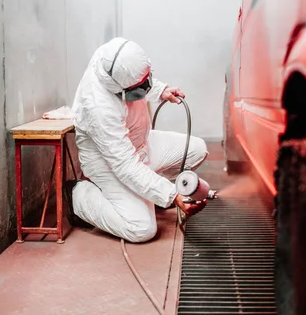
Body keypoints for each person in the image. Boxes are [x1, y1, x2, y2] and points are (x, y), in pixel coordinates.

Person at [70, 38, 208, 243]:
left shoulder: (113, 57)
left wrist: (160, 90)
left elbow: (137, 79)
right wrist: (170, 194)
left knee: (197, 149)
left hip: (141, 144)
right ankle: (77, 195)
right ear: (118, 88)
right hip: (109, 163)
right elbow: (125, 165)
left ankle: (148, 191)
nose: (146, 85)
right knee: (141, 228)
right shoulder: (98, 107)